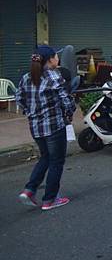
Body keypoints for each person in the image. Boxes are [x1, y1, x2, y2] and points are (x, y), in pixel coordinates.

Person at [15, 45, 76, 210]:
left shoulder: (26, 77)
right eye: (56, 56)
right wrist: (70, 112)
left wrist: (31, 113)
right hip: (54, 126)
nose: (58, 58)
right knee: (56, 161)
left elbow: (19, 98)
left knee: (45, 157)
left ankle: (29, 190)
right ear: (50, 59)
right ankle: (50, 200)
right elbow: (67, 100)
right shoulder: (54, 77)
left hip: (35, 128)